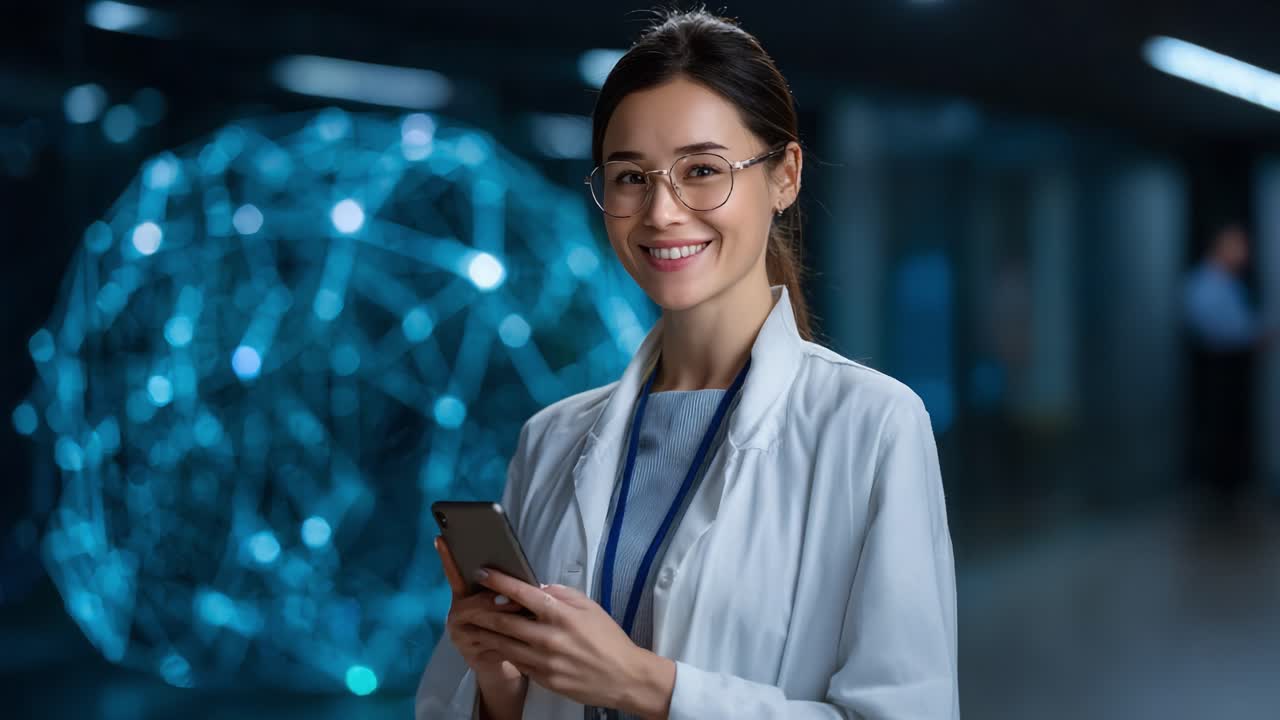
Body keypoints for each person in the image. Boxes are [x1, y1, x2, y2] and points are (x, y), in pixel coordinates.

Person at [416, 9, 958, 719]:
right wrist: (502, 685)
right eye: (630, 177)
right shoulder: (550, 439)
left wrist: (647, 686)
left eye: (702, 170)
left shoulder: (872, 425)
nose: (661, 213)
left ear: (785, 175)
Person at [1183, 221, 1276, 511]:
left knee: (1234, 427)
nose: (1244, 253)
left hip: (1235, 362)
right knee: (1219, 428)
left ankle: (1231, 489)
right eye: (1237, 246)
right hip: (1218, 364)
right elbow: (1217, 327)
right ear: (1220, 247)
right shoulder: (1204, 284)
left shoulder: (1231, 282)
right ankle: (1217, 491)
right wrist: (1253, 335)